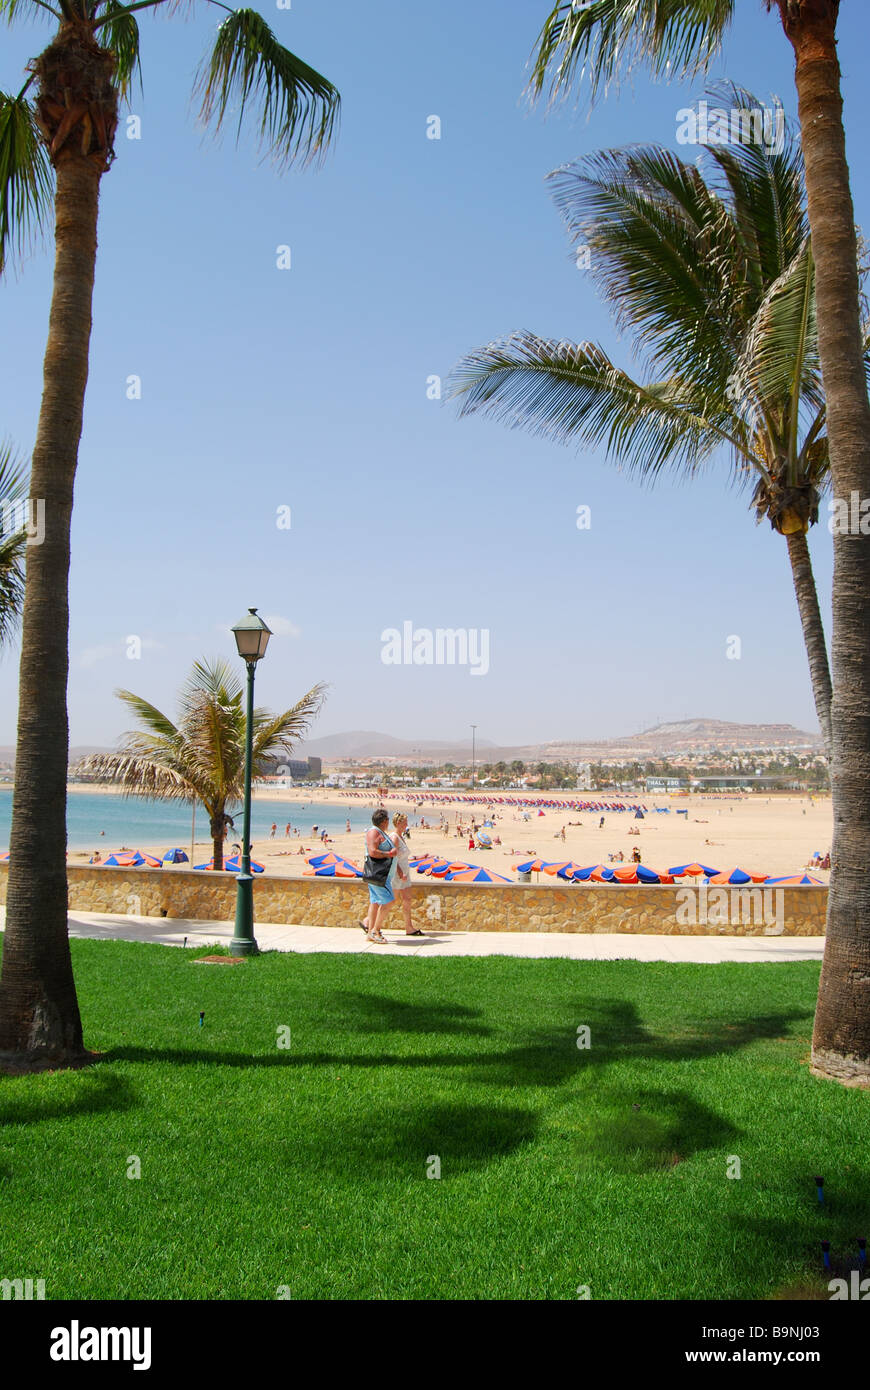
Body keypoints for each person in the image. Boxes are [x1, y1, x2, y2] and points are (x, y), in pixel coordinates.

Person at [359, 809, 397, 943]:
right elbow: (372, 852)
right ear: (384, 821)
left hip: (384, 876)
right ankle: (375, 930)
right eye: (387, 819)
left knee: (375, 903)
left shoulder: (380, 832)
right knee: (389, 901)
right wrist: (389, 854)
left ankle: (370, 932)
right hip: (378, 876)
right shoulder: (373, 832)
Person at [389, 812, 425, 936]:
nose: (407, 825)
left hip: (405, 874)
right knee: (390, 901)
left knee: (407, 899)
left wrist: (420, 857)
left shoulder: (401, 837)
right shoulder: (394, 837)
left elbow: (404, 856)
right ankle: (370, 923)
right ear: (398, 823)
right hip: (397, 874)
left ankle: (409, 927)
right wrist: (400, 873)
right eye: (405, 823)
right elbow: (392, 858)